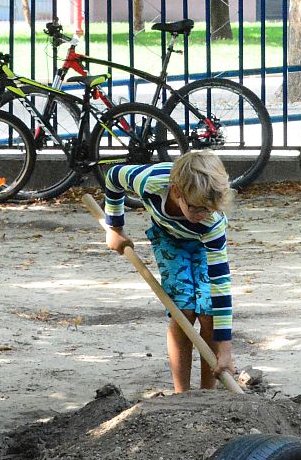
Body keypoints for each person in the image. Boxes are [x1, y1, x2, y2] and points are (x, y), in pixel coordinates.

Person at [101, 151, 238, 393]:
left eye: (209, 209)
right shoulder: (149, 181)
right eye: (197, 209)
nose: (203, 216)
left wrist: (226, 350)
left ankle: (209, 393)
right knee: (182, 311)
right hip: (169, 239)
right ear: (176, 192)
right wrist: (115, 227)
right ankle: (181, 394)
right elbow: (112, 177)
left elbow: (220, 284)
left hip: (205, 245)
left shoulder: (211, 221)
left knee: (209, 313)